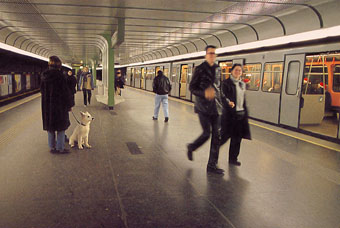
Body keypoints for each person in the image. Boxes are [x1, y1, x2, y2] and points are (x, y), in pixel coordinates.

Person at [187, 45, 224, 174]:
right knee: (206, 133)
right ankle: (191, 147)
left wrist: (225, 101)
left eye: (214, 53)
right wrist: (204, 93)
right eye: (210, 53)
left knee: (217, 136)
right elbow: (192, 88)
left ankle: (212, 165)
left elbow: (219, 88)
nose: (212, 55)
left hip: (216, 107)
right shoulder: (199, 69)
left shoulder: (218, 69)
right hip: (203, 107)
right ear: (205, 55)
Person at [40, 56, 74, 154]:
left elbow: (41, 90)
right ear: (59, 65)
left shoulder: (44, 76)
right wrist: (69, 105)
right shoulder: (61, 76)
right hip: (59, 106)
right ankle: (60, 148)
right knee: (60, 127)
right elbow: (65, 93)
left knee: (50, 128)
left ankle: (52, 147)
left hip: (48, 106)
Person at [220, 64, 251, 166]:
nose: (238, 72)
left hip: (240, 115)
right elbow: (222, 96)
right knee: (224, 137)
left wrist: (245, 112)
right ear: (231, 71)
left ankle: (233, 159)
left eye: (240, 71)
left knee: (237, 138)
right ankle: (213, 156)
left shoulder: (242, 84)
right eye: (236, 70)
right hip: (230, 115)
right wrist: (228, 103)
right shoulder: (226, 83)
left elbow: (243, 99)